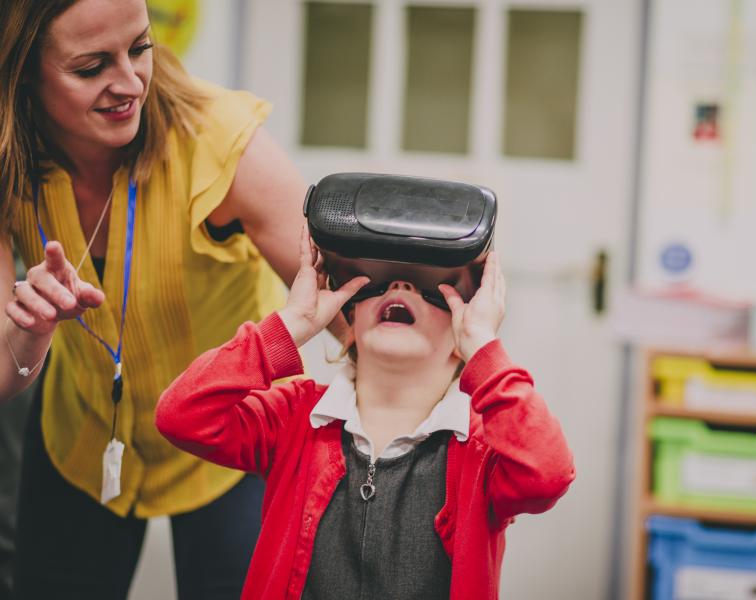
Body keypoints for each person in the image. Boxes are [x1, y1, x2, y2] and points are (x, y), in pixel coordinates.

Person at [0, 0, 319, 597]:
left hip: (234, 439)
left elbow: (344, 299)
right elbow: (3, 370)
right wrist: (30, 332)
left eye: (139, 48)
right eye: (92, 66)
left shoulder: (219, 140)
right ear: (21, 72)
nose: (129, 84)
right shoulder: (7, 160)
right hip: (83, 432)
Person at [155, 224, 577, 599]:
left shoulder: (482, 449)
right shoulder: (296, 418)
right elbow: (182, 415)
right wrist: (290, 324)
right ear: (351, 319)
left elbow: (547, 475)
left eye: (430, 285)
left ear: (460, 335)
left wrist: (485, 349)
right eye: (377, 282)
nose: (400, 287)